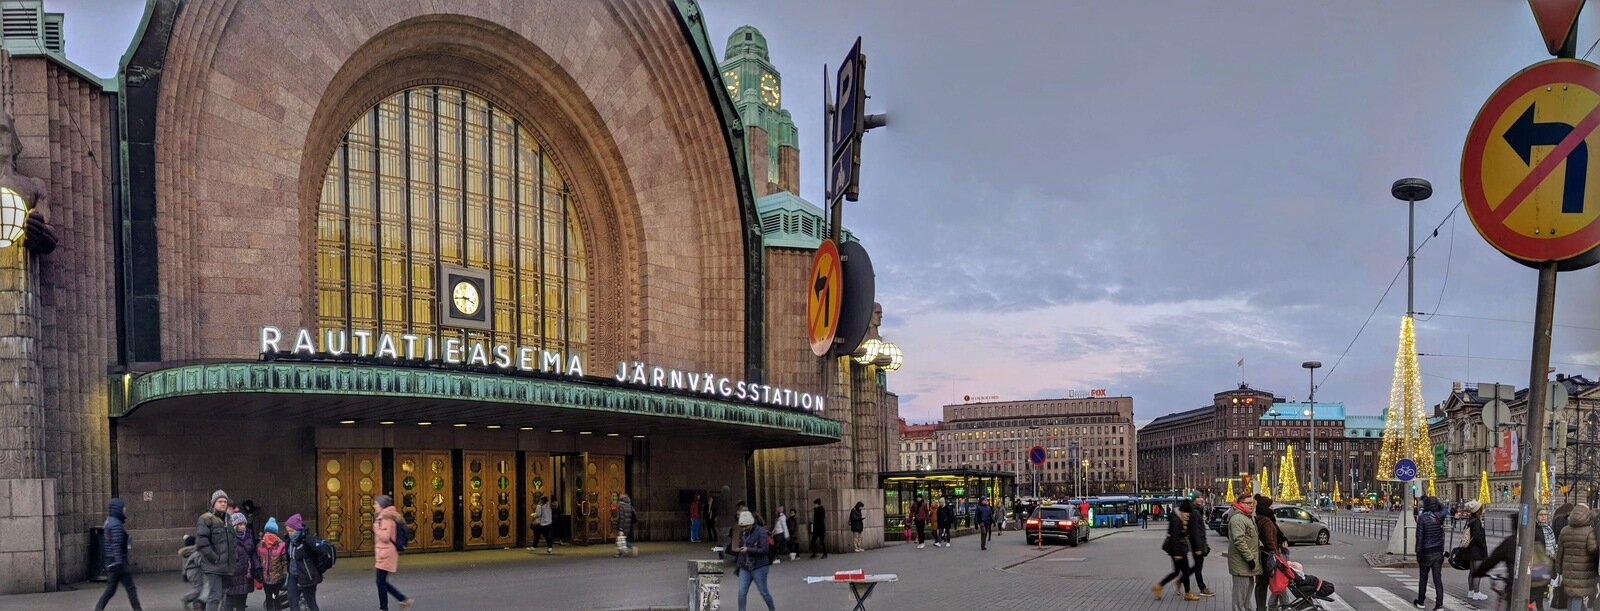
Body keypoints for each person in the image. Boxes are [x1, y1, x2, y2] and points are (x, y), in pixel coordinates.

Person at [1472, 508, 1559, 611]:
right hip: (1539, 581)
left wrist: (1478, 572)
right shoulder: (1537, 537)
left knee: (1511, 603)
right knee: (1536, 604)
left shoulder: (1511, 542)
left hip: (1517, 584)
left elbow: (1492, 560)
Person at [94, 498, 143, 611]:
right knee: (131, 588)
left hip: (112, 562)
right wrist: (119, 563)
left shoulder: (109, 522)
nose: (125, 509)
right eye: (123, 507)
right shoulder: (116, 524)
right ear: (118, 509)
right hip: (118, 563)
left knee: (110, 590)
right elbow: (116, 544)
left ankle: (98, 609)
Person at [196, 490, 236, 611]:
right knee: (215, 596)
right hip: (214, 565)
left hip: (226, 565)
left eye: (225, 501)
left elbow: (233, 540)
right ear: (213, 503)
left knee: (223, 595)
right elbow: (202, 542)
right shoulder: (206, 519)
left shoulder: (228, 518)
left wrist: (235, 558)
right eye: (220, 501)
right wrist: (215, 558)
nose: (223, 504)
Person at [373, 495, 413, 611]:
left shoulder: (385, 518)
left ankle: (385, 607)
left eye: (376, 503)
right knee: (381, 581)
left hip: (386, 553)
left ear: (382, 505)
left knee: (380, 581)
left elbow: (385, 537)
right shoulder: (385, 516)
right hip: (385, 552)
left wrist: (376, 527)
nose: (374, 505)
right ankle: (402, 600)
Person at [1154, 499, 1196, 601]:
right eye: (1187, 513)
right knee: (1185, 571)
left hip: (1177, 549)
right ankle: (1187, 593)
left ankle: (1159, 586)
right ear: (1182, 511)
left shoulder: (1179, 518)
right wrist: (1177, 553)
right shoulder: (1177, 520)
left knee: (1176, 572)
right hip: (1178, 549)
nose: (1188, 515)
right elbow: (1175, 537)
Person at [1558, 504, 1598, 611]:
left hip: (1568, 569)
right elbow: (1593, 550)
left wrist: (1558, 569)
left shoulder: (1564, 530)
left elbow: (1559, 552)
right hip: (1584, 570)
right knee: (1577, 596)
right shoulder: (1589, 531)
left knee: (1572, 595)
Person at [734, 510, 776, 611]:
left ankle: (772, 609)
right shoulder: (743, 533)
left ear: (751, 523)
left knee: (764, 592)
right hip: (745, 566)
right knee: (741, 592)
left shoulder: (761, 531)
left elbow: (764, 550)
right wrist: (738, 548)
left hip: (759, 566)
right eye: (742, 526)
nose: (744, 529)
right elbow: (740, 545)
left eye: (746, 526)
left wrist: (748, 549)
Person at [1226, 494, 1261, 611]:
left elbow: (1252, 538)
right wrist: (1250, 558)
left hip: (1247, 565)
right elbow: (1239, 541)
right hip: (1242, 564)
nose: (1251, 505)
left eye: (1252, 503)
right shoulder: (1238, 518)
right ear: (1240, 503)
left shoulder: (1247, 516)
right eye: (1248, 503)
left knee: (1246, 596)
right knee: (1239, 599)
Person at [1253, 494, 1287, 611]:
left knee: (1261, 584)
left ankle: (1262, 607)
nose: (1272, 508)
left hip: (1263, 556)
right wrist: (1275, 555)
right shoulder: (1266, 521)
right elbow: (1269, 541)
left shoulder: (1261, 518)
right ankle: (1263, 608)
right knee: (1268, 584)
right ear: (1266, 507)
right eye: (1270, 506)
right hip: (1267, 558)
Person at [1413, 496, 1448, 610]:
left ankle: (1421, 601)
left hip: (1425, 552)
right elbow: (1445, 508)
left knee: (1423, 578)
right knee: (1437, 579)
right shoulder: (1440, 516)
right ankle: (1439, 604)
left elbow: (1419, 537)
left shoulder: (1422, 518)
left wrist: (1418, 553)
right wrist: (1438, 503)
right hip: (1438, 552)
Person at [283, 514, 321, 611]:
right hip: (293, 575)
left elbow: (318, 556)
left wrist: (316, 571)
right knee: (292, 601)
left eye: (292, 531)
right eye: (288, 531)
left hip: (306, 576)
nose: (290, 533)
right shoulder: (288, 541)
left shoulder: (307, 540)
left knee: (310, 603)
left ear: (298, 529)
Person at [223, 512, 258, 611]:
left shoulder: (249, 536)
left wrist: (257, 567)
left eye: (244, 524)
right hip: (233, 576)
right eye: (240, 524)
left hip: (245, 575)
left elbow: (253, 553)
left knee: (241, 604)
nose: (243, 526)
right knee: (229, 603)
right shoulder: (228, 538)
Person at [1461, 500, 1489, 600]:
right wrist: (1483, 547)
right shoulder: (1476, 522)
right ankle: (1476, 593)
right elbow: (1477, 536)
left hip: (1470, 550)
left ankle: (1471, 591)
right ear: (1478, 511)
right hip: (1476, 551)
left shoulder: (1470, 520)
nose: (1483, 511)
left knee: (1472, 571)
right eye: (1482, 509)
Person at [258, 518, 287, 611]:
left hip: (276, 579)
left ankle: (276, 608)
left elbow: (284, 561)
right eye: (267, 532)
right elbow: (258, 559)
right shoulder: (261, 545)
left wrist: (284, 574)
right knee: (268, 596)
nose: (269, 535)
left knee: (275, 596)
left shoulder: (281, 545)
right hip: (266, 578)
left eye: (271, 533)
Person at [1187, 498, 1214, 597]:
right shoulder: (1195, 512)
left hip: (1199, 544)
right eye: (1198, 497)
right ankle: (1202, 587)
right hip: (1197, 545)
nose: (1201, 499)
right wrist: (1198, 547)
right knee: (1198, 567)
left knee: (1197, 566)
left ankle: (1181, 579)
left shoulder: (1197, 511)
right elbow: (1195, 531)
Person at [180, 534, 204, 610]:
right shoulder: (194, 552)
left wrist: (184, 574)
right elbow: (199, 561)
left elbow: (184, 564)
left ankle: (196, 604)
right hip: (195, 571)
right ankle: (186, 598)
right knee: (198, 589)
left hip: (189, 572)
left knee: (196, 588)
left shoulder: (185, 552)